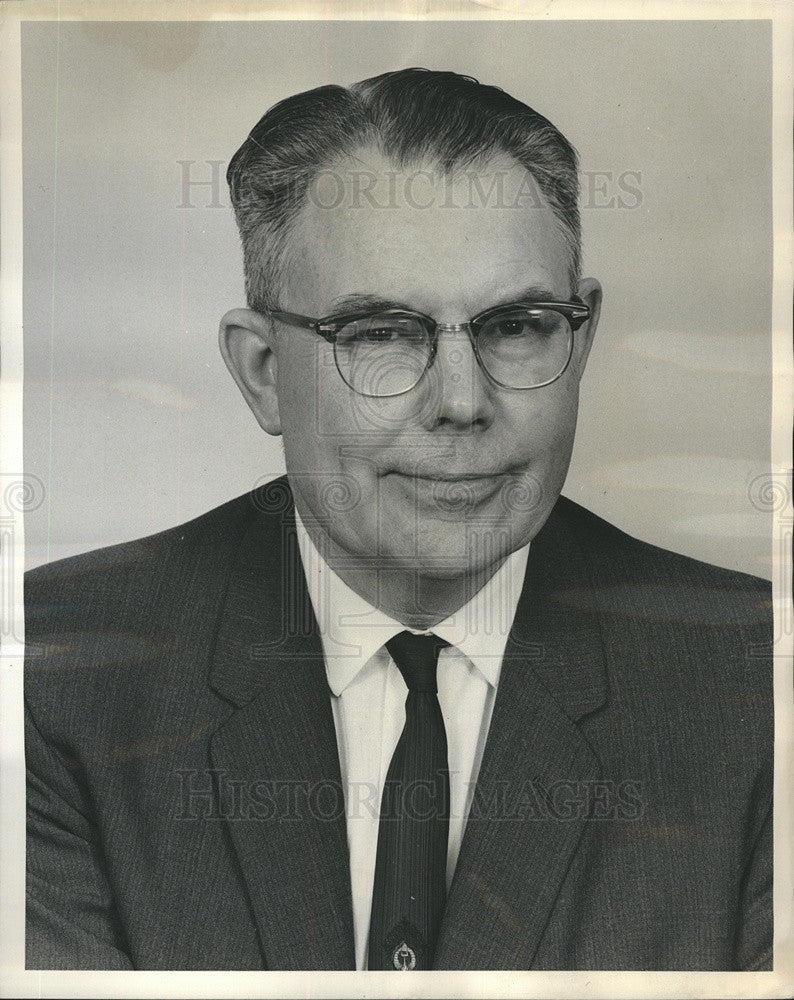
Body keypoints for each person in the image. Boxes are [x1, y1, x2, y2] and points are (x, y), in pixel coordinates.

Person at [25, 68, 772, 972]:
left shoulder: (758, 688)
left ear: (580, 342)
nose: (461, 402)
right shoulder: (52, 675)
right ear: (263, 371)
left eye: (517, 324)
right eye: (380, 333)